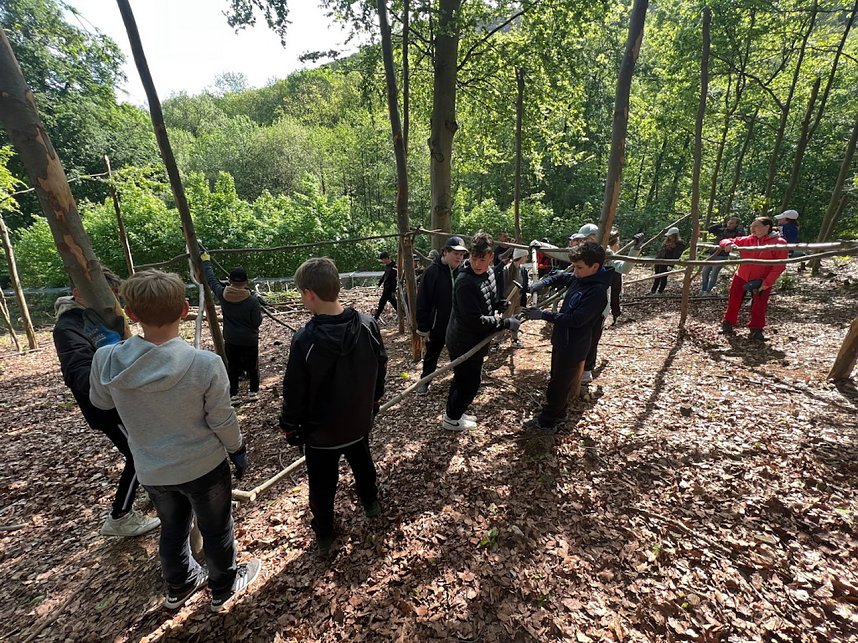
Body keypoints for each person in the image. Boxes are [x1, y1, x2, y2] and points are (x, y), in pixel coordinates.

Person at [89, 269, 260, 612]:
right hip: (203, 466)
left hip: (153, 468)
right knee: (216, 528)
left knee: (172, 527)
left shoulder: (106, 359)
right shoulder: (205, 364)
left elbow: (101, 402)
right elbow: (221, 418)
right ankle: (223, 585)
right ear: (184, 309)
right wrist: (236, 448)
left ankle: (179, 584)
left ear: (132, 314)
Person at [279, 258, 388, 558]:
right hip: (357, 423)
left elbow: (294, 390)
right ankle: (371, 502)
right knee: (362, 462)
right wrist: (374, 401)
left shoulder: (305, 339)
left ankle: (325, 533)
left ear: (309, 293)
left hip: (322, 435)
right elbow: (381, 367)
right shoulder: (368, 324)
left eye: (301, 294)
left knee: (323, 485)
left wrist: (290, 426)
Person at [52, 267, 160, 538]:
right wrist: (119, 376)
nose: (112, 304)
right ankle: (120, 516)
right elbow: (80, 375)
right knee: (137, 454)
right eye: (106, 297)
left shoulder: (101, 317)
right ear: (79, 294)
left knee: (145, 448)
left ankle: (157, 491)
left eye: (114, 297)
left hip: (128, 400)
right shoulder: (69, 327)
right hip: (108, 407)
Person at [523, 242, 614, 433]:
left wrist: (544, 315)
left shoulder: (597, 292)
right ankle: (560, 413)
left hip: (574, 345)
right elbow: (565, 277)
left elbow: (576, 320)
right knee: (557, 378)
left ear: (595, 267)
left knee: (558, 385)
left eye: (580, 267)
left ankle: (547, 422)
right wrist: (542, 283)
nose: (576, 271)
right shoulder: (582, 277)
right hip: (561, 340)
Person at [443, 232, 520, 431]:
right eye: (474, 258)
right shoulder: (465, 283)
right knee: (469, 382)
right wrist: (503, 322)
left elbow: (488, 298)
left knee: (463, 380)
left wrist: (498, 303)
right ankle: (452, 419)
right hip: (463, 340)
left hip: (476, 338)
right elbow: (474, 320)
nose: (477, 264)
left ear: (490, 257)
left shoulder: (491, 272)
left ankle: (454, 413)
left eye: (482, 259)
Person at [201, 255, 263, 405]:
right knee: (253, 365)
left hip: (231, 338)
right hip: (249, 339)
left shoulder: (223, 294)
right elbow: (257, 322)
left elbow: (211, 280)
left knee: (233, 366)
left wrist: (206, 262)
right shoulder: (252, 301)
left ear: (230, 281)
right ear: (246, 282)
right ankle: (253, 392)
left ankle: (233, 394)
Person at [720, 217, 788, 341]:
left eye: (756, 226)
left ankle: (756, 330)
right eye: (751, 226)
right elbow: (725, 240)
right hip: (741, 276)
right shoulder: (747, 240)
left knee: (759, 305)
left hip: (761, 280)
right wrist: (728, 244)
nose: (752, 229)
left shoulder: (779, 243)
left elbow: (779, 266)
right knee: (734, 300)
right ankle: (728, 323)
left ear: (767, 227)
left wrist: (767, 283)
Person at [415, 236, 467, 396]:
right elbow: (422, 301)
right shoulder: (432, 271)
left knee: (460, 354)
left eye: (462, 254)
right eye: (456, 253)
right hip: (438, 324)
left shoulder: (463, 270)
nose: (459, 257)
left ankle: (461, 382)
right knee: (432, 355)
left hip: (458, 324)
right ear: (445, 252)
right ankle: (424, 382)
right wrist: (424, 327)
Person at [701, 217, 744, 294]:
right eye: (729, 222)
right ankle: (704, 289)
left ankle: (708, 291)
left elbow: (741, 237)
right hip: (712, 254)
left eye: (732, 223)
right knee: (705, 272)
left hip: (722, 256)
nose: (729, 224)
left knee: (714, 274)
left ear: (736, 225)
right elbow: (710, 229)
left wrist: (738, 228)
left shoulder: (736, 233)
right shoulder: (722, 230)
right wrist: (721, 224)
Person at [503, 248, 530, 348]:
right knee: (505, 319)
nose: (527, 258)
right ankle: (497, 341)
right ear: (521, 257)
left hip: (519, 298)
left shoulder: (523, 269)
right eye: (525, 256)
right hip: (509, 298)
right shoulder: (507, 269)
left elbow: (525, 285)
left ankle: (514, 339)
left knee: (516, 319)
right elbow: (503, 285)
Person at [651, 227, 686, 294]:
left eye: (670, 235)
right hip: (659, 260)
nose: (669, 237)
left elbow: (676, 255)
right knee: (656, 276)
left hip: (667, 262)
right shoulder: (666, 242)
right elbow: (661, 251)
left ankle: (660, 291)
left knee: (663, 276)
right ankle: (653, 290)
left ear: (674, 235)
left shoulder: (679, 244)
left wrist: (671, 264)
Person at [374, 251, 398, 321]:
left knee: (382, 303)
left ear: (387, 258)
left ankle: (376, 317)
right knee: (393, 303)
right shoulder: (387, 267)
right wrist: (379, 284)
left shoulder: (394, 266)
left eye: (383, 259)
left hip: (390, 289)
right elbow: (384, 276)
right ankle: (402, 314)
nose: (382, 261)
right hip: (386, 288)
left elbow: (394, 280)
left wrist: (393, 291)